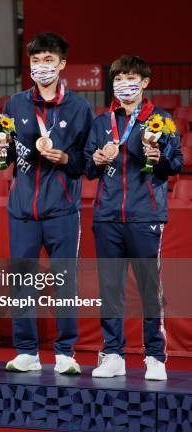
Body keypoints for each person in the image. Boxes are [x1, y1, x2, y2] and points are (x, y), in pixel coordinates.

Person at [0, 33, 94, 374]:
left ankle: (65, 352)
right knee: (22, 282)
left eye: (49, 60)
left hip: (62, 208)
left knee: (65, 281)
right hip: (22, 210)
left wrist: (65, 157)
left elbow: (88, 163)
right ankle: (27, 352)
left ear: (62, 64)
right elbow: (6, 153)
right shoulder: (15, 104)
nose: (42, 67)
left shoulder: (79, 108)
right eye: (36, 61)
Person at [86, 56, 182, 381]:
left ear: (144, 82)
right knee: (110, 288)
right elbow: (86, 167)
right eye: (118, 79)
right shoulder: (102, 123)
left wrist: (160, 156)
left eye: (130, 78)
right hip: (107, 217)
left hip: (145, 216)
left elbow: (177, 163)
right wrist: (97, 158)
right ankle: (112, 353)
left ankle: (155, 356)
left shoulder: (162, 120)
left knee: (149, 288)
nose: (123, 84)